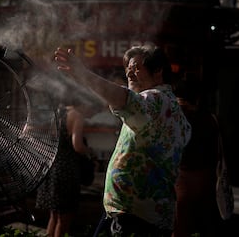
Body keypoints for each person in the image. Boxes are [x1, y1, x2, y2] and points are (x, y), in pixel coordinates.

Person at [54, 42, 191, 236]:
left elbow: (122, 98)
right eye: (127, 68)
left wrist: (82, 73)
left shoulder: (155, 99)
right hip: (141, 214)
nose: (129, 74)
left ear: (158, 70)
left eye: (136, 68)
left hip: (134, 217)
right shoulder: (171, 108)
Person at [35, 100, 94, 237]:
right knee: (64, 220)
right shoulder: (76, 115)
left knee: (54, 216)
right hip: (66, 171)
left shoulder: (58, 112)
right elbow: (77, 145)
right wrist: (89, 152)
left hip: (52, 167)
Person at [172, 79, 221, 237]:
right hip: (207, 181)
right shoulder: (210, 119)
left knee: (180, 228)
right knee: (206, 226)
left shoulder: (175, 118)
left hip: (183, 181)